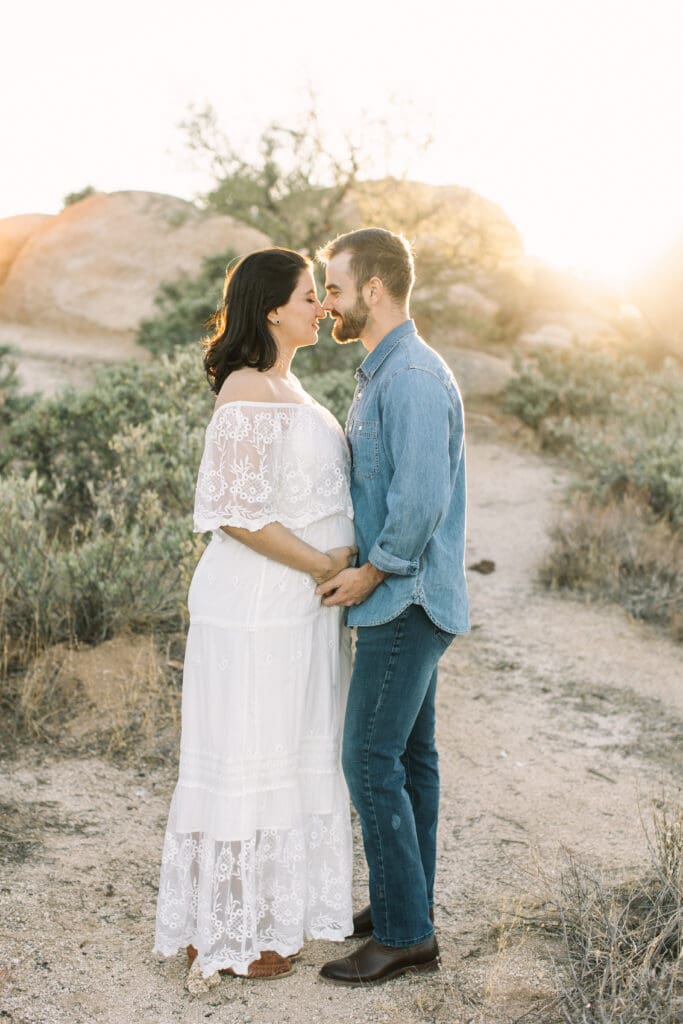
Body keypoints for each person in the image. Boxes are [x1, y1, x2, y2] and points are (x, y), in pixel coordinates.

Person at [154, 247, 357, 981]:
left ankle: (266, 916)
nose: (322, 307)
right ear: (272, 307)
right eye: (310, 296)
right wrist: (323, 565)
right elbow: (235, 513)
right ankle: (230, 934)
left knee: (287, 751)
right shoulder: (245, 386)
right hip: (256, 604)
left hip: (299, 611)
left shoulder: (289, 386)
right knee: (247, 752)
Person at [314, 228, 469, 985]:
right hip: (413, 595)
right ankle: (405, 903)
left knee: (368, 759)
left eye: (334, 288)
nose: (328, 302)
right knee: (410, 760)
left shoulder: (406, 375)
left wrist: (371, 574)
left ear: (372, 289)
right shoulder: (384, 371)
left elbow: (419, 500)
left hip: (402, 600)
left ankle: (406, 934)